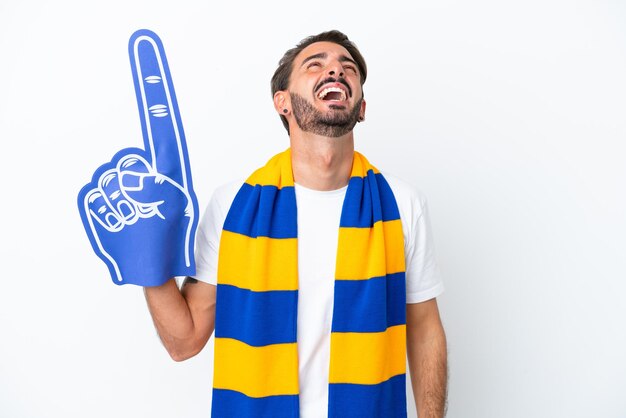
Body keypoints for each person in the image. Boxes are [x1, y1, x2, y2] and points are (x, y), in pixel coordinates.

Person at [144, 30, 448, 418]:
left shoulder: (403, 204)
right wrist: (148, 261)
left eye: (348, 68)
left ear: (362, 107)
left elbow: (424, 329)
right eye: (315, 64)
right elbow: (183, 342)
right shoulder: (232, 205)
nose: (336, 70)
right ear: (282, 103)